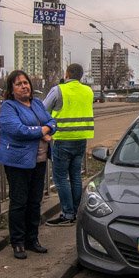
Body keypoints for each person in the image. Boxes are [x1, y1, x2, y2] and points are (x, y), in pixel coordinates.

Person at [0, 70, 56, 258]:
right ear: (11, 89)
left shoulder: (37, 103)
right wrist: (42, 131)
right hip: (18, 163)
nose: (24, 86)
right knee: (19, 202)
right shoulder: (8, 107)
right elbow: (18, 130)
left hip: (39, 160)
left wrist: (48, 127)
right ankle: (18, 242)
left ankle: (32, 239)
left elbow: (52, 121)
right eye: (19, 84)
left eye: (26, 82)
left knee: (35, 202)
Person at [42, 63, 95, 226]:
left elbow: (43, 109)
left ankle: (67, 214)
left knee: (60, 178)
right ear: (80, 76)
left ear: (67, 74)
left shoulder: (59, 90)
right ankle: (76, 212)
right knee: (76, 176)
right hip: (81, 139)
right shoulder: (88, 91)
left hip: (63, 138)